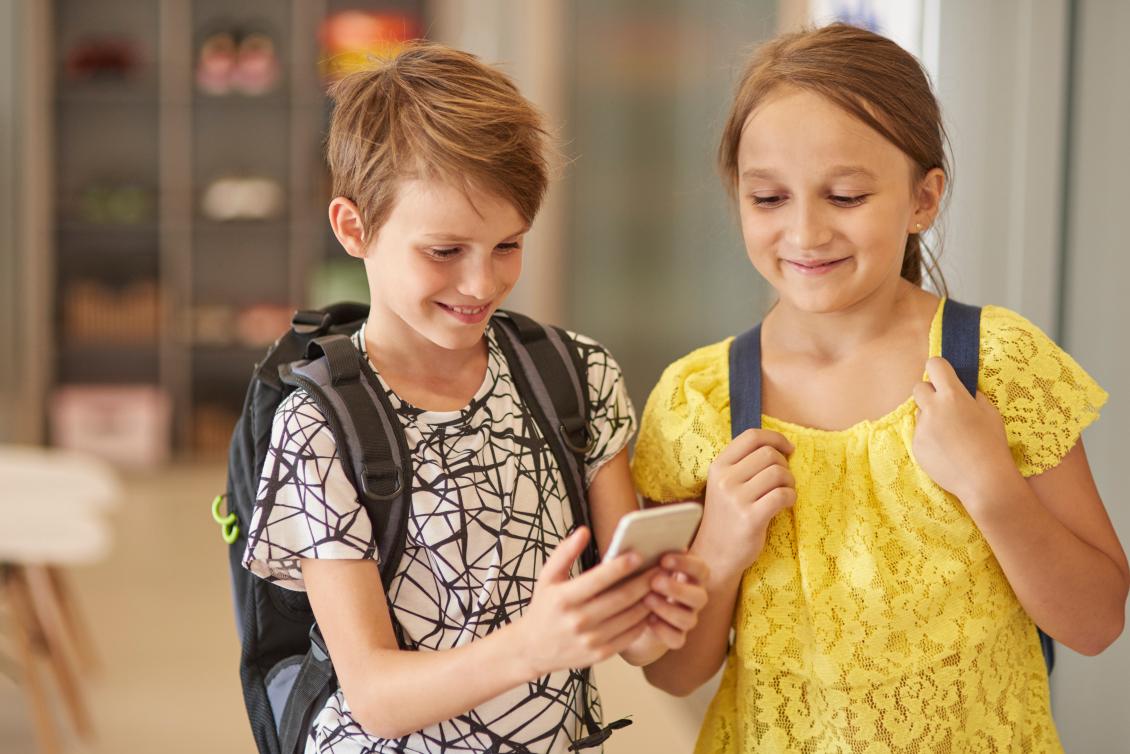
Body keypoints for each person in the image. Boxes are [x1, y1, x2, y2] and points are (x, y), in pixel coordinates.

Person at [631, 23, 1128, 753]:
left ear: (923, 200)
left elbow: (1096, 623)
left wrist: (993, 487)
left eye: (845, 195)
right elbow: (672, 675)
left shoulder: (996, 365)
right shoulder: (697, 400)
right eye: (768, 198)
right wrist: (719, 549)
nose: (805, 231)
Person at [242, 42, 709, 753]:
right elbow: (373, 696)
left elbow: (637, 641)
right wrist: (533, 646)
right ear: (353, 228)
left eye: (507, 246)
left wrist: (653, 612)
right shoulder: (320, 424)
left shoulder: (575, 376)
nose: (482, 284)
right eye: (444, 251)